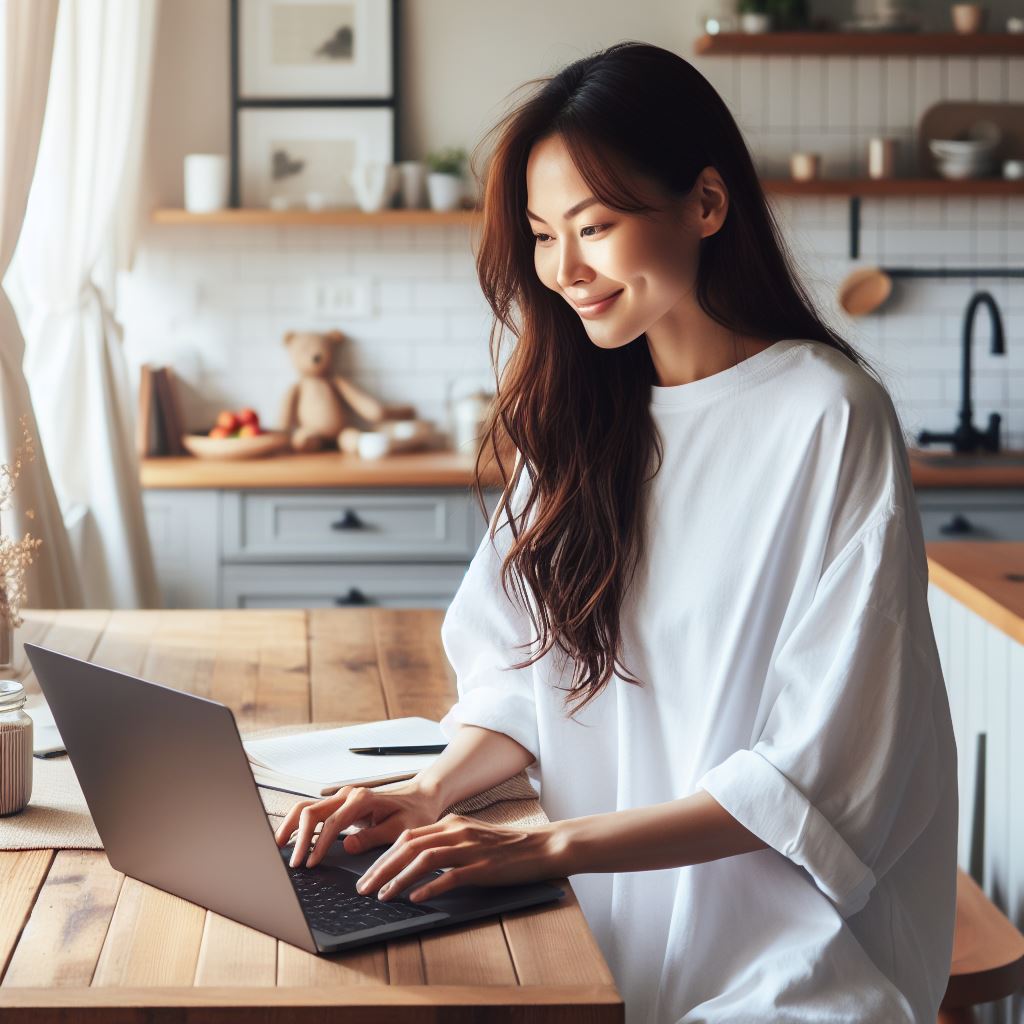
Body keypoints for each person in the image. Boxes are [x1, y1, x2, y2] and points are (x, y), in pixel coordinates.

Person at [275, 40, 958, 1023]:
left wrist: (548, 843)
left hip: (785, 947)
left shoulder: (826, 414)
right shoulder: (579, 417)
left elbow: (821, 767)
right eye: (544, 235)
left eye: (593, 226)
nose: (564, 270)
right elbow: (517, 673)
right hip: (592, 918)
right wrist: (428, 792)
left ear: (707, 206)